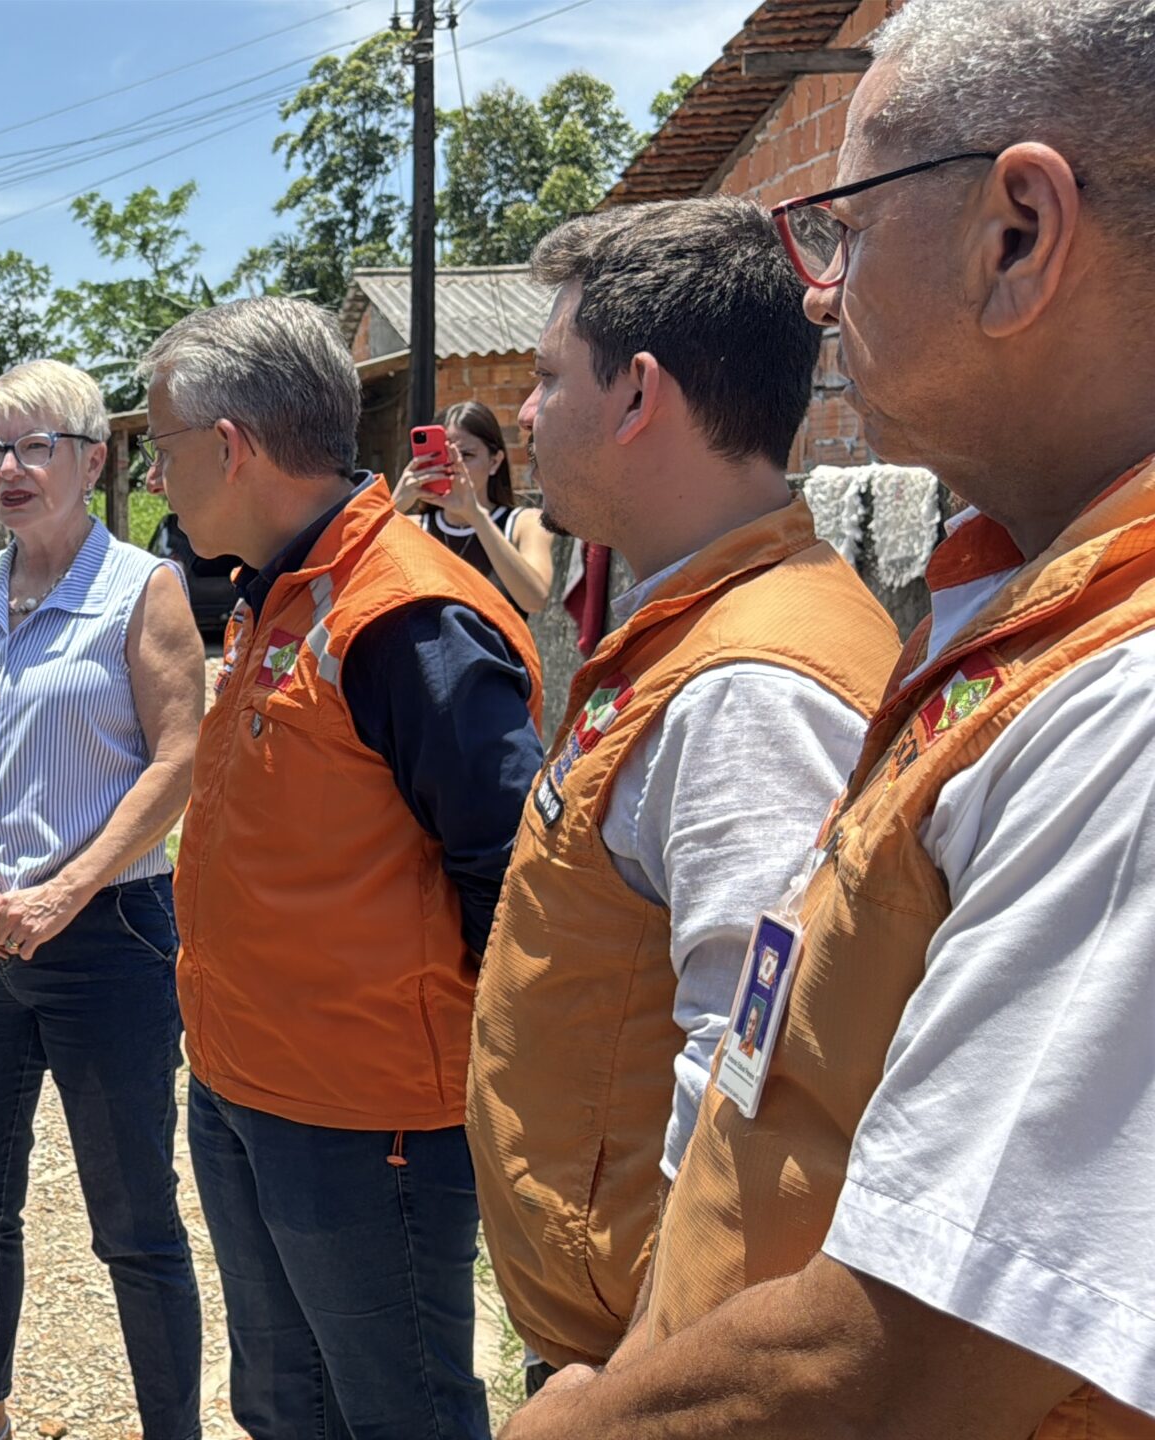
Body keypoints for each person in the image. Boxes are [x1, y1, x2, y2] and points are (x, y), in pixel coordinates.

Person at [505, 1, 1155, 1434]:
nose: (815, 291)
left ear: (1018, 236)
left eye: (845, 226)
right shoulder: (1017, 611)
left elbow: (918, 1344)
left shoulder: (1130, 699)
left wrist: (590, 1418)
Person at [464, 197, 901, 1389]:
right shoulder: (704, 628)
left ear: (637, 395)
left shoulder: (749, 688)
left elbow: (753, 1091)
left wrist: (637, 1385)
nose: (526, 412)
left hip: (634, 1365)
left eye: (550, 377)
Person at [139, 297, 544, 1440]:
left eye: (163, 451)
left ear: (230, 447)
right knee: (284, 1401)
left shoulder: (404, 619)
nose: (157, 480)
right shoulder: (281, 592)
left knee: (397, 1410)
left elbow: (509, 873)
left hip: (367, 1123)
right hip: (245, 1084)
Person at [0, 359, 209, 1440]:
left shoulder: (143, 589)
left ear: (94, 458)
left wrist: (66, 891)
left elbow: (178, 760)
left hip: (107, 941)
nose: (11, 470)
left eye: (36, 446)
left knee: (133, 1219)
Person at [396, 399, 557, 614]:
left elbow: (535, 600)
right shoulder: (411, 528)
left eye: (466, 455)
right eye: (442, 455)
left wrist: (477, 517)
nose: (454, 465)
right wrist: (393, 506)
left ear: (494, 462)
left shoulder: (523, 523)